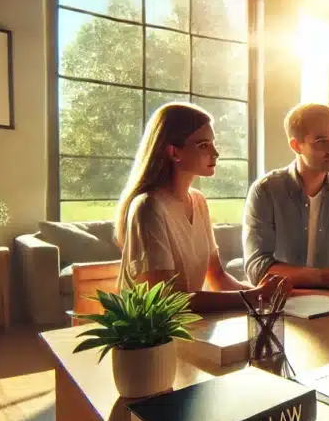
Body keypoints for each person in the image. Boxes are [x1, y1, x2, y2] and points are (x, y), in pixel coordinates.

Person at [116, 102, 288, 311]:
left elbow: (217, 278)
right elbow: (166, 300)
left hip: (192, 328)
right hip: (150, 336)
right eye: (203, 145)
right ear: (174, 152)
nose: (215, 153)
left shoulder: (198, 201)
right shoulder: (148, 207)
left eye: (212, 143)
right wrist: (254, 296)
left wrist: (266, 296)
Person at [243, 103, 329, 290]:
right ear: (296, 145)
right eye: (321, 140)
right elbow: (257, 268)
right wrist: (327, 277)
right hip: (282, 303)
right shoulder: (266, 192)